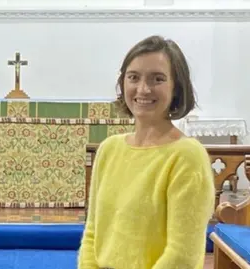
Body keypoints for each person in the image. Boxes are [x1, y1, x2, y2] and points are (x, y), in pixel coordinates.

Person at [78, 35, 215, 269]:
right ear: (123, 83)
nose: (143, 89)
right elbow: (93, 233)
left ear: (176, 88)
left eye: (157, 79)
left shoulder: (187, 156)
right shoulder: (109, 149)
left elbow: (182, 255)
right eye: (133, 77)